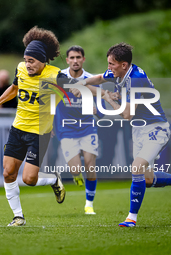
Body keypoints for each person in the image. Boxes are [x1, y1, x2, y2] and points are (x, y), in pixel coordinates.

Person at [70, 42, 171, 227]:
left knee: (136, 168)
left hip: (155, 129)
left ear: (123, 64)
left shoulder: (135, 80)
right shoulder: (119, 72)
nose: (109, 67)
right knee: (147, 180)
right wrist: (81, 83)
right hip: (139, 130)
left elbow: (126, 115)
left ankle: (131, 218)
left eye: (112, 64)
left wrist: (107, 98)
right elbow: (100, 78)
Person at [0, 26, 68, 226]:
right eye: (26, 60)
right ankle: (18, 217)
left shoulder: (56, 76)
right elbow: (15, 88)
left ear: (43, 61)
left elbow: (72, 95)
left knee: (29, 180)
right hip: (18, 129)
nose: (27, 64)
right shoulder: (21, 69)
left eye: (31, 61)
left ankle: (52, 179)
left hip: (39, 133)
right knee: (8, 173)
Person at [54, 45, 105, 215]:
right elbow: (49, 102)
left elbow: (103, 111)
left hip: (87, 128)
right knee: (75, 169)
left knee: (91, 165)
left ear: (83, 59)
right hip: (66, 128)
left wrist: (97, 111)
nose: (75, 61)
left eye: (78, 57)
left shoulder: (91, 79)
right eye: (72, 58)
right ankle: (76, 175)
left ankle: (89, 204)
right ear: (67, 60)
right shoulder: (59, 78)